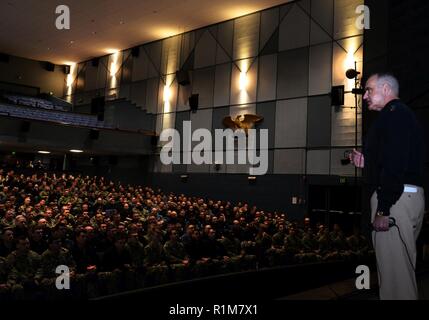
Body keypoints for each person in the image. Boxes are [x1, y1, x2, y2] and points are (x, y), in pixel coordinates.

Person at [350, 72, 425, 300]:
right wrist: (368, 162)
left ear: (385, 89)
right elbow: (396, 158)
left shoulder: (394, 115)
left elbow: (395, 163)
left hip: (395, 202)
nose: (365, 96)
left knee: (396, 281)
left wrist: (384, 208)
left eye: (369, 90)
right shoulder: (399, 116)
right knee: (396, 273)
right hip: (401, 198)